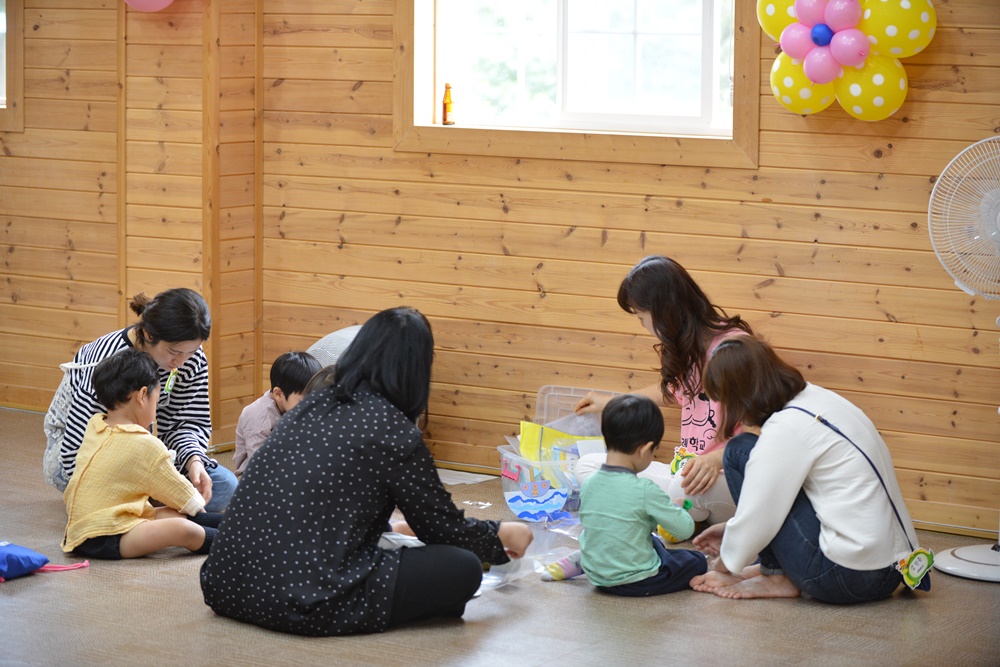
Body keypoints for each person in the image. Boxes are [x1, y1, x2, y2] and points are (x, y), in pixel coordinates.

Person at [200, 307, 533, 636]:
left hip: (225, 585)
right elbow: (441, 527)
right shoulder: (393, 429)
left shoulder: (311, 404)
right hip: (303, 600)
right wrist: (499, 534)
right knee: (463, 567)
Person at [690, 335, 926, 603]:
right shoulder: (819, 398)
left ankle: (775, 576)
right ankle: (774, 572)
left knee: (738, 450)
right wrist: (733, 529)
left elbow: (760, 514)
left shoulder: (786, 427)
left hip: (846, 577)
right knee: (753, 463)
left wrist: (723, 562)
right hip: (894, 568)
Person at [573, 255, 754, 525]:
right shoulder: (690, 346)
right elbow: (671, 392)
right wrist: (612, 402)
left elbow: (763, 428)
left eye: (641, 317)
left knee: (679, 488)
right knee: (588, 467)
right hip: (687, 471)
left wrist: (717, 459)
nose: (643, 326)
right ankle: (673, 514)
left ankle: (666, 513)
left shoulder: (734, 349)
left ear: (664, 311)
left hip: (728, 477)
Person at [47, 288, 237, 512]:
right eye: (174, 352)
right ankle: (147, 507)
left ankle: (142, 507)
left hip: (145, 451)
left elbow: (185, 423)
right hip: (88, 456)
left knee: (225, 486)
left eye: (191, 352)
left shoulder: (189, 357)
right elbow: (76, 450)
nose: (181, 362)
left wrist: (194, 460)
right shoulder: (106, 359)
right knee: (106, 495)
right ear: (148, 334)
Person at [62, 349, 223, 560]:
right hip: (105, 536)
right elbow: (177, 490)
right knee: (183, 528)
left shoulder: (96, 424)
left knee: (169, 513)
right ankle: (236, 541)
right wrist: (197, 504)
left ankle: (233, 525)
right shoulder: (143, 442)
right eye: (156, 401)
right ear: (142, 395)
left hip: (87, 524)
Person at [542, 394, 708, 595]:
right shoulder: (645, 489)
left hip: (598, 577)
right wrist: (676, 508)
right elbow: (684, 530)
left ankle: (584, 560)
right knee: (695, 560)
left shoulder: (589, 483)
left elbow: (597, 525)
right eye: (654, 451)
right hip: (637, 581)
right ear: (645, 450)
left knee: (631, 535)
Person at [233, 351, 322, 477]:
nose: (310, 407)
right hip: (257, 475)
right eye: (304, 401)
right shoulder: (260, 420)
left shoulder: (289, 404)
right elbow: (258, 466)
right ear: (278, 394)